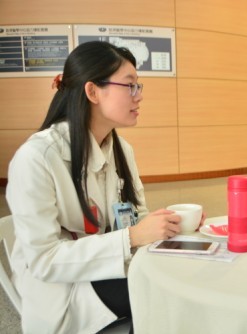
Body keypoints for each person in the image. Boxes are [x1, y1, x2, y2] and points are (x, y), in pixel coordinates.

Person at [6, 41, 204, 333]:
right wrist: (131, 237)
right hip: (65, 289)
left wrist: (168, 223)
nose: (138, 97)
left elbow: (135, 217)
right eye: (130, 86)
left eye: (139, 87)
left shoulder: (121, 148)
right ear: (92, 91)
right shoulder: (36, 158)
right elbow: (44, 261)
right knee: (166, 296)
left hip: (109, 268)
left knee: (182, 278)